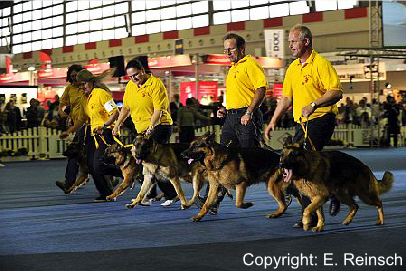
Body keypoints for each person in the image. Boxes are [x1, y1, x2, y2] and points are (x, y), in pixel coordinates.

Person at [264, 24, 343, 228]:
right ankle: (334, 192)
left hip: (321, 119)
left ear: (306, 41)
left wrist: (314, 104)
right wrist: (273, 121)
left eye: (293, 41)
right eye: (289, 41)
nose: (290, 45)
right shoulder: (292, 68)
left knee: (302, 163)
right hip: (302, 122)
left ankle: (311, 214)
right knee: (304, 164)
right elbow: (285, 99)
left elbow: (336, 92)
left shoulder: (321, 64)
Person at [205, 32, 268, 213]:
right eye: (225, 50)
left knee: (252, 158)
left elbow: (261, 89)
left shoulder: (250, 65)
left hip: (247, 116)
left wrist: (249, 112)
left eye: (231, 49)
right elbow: (237, 94)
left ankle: (286, 187)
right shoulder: (232, 69)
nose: (227, 52)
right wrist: (225, 108)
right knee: (222, 159)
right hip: (231, 118)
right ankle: (215, 201)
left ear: (241, 48)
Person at [112, 58, 178, 206]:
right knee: (144, 161)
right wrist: (117, 124)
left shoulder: (155, 84)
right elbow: (126, 108)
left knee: (153, 161)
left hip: (160, 126)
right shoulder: (130, 86)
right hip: (142, 129)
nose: (133, 79)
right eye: (130, 76)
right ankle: (150, 195)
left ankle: (171, 194)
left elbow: (158, 110)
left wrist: (150, 128)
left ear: (142, 71)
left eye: (135, 75)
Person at [76, 68, 119, 202]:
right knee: (94, 166)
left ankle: (130, 174)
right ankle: (106, 192)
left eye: (84, 84)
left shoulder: (101, 94)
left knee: (98, 166)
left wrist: (105, 126)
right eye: (80, 85)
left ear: (91, 81)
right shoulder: (89, 98)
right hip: (96, 136)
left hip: (106, 134)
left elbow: (115, 112)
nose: (83, 87)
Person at [55, 64, 89, 193]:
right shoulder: (69, 89)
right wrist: (62, 112)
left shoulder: (87, 87)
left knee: (89, 155)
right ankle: (70, 182)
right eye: (72, 76)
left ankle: (71, 182)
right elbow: (62, 103)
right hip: (78, 126)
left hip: (91, 125)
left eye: (77, 76)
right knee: (75, 154)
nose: (74, 78)